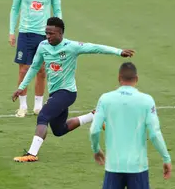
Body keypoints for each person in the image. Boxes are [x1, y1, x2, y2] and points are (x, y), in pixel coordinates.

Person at [12, 17, 135, 162]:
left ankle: (32, 154)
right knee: (59, 130)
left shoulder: (71, 46)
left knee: (43, 116)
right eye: (46, 33)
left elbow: (95, 47)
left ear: (61, 33)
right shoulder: (43, 46)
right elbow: (34, 67)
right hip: (55, 92)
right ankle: (94, 116)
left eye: (51, 33)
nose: (48, 36)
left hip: (67, 92)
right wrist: (21, 87)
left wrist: (119, 51)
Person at [90, 62, 172, 189]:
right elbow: (155, 134)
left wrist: (96, 149)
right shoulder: (147, 100)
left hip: (113, 165)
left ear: (118, 78)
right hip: (138, 167)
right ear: (137, 79)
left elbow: (94, 130)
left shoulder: (105, 99)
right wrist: (166, 158)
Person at [9, 0, 62, 117]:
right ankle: (22, 106)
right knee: (23, 70)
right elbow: (14, 9)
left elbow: (57, 10)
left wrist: (59, 31)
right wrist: (12, 31)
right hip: (25, 33)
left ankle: (38, 106)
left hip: (45, 35)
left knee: (41, 71)